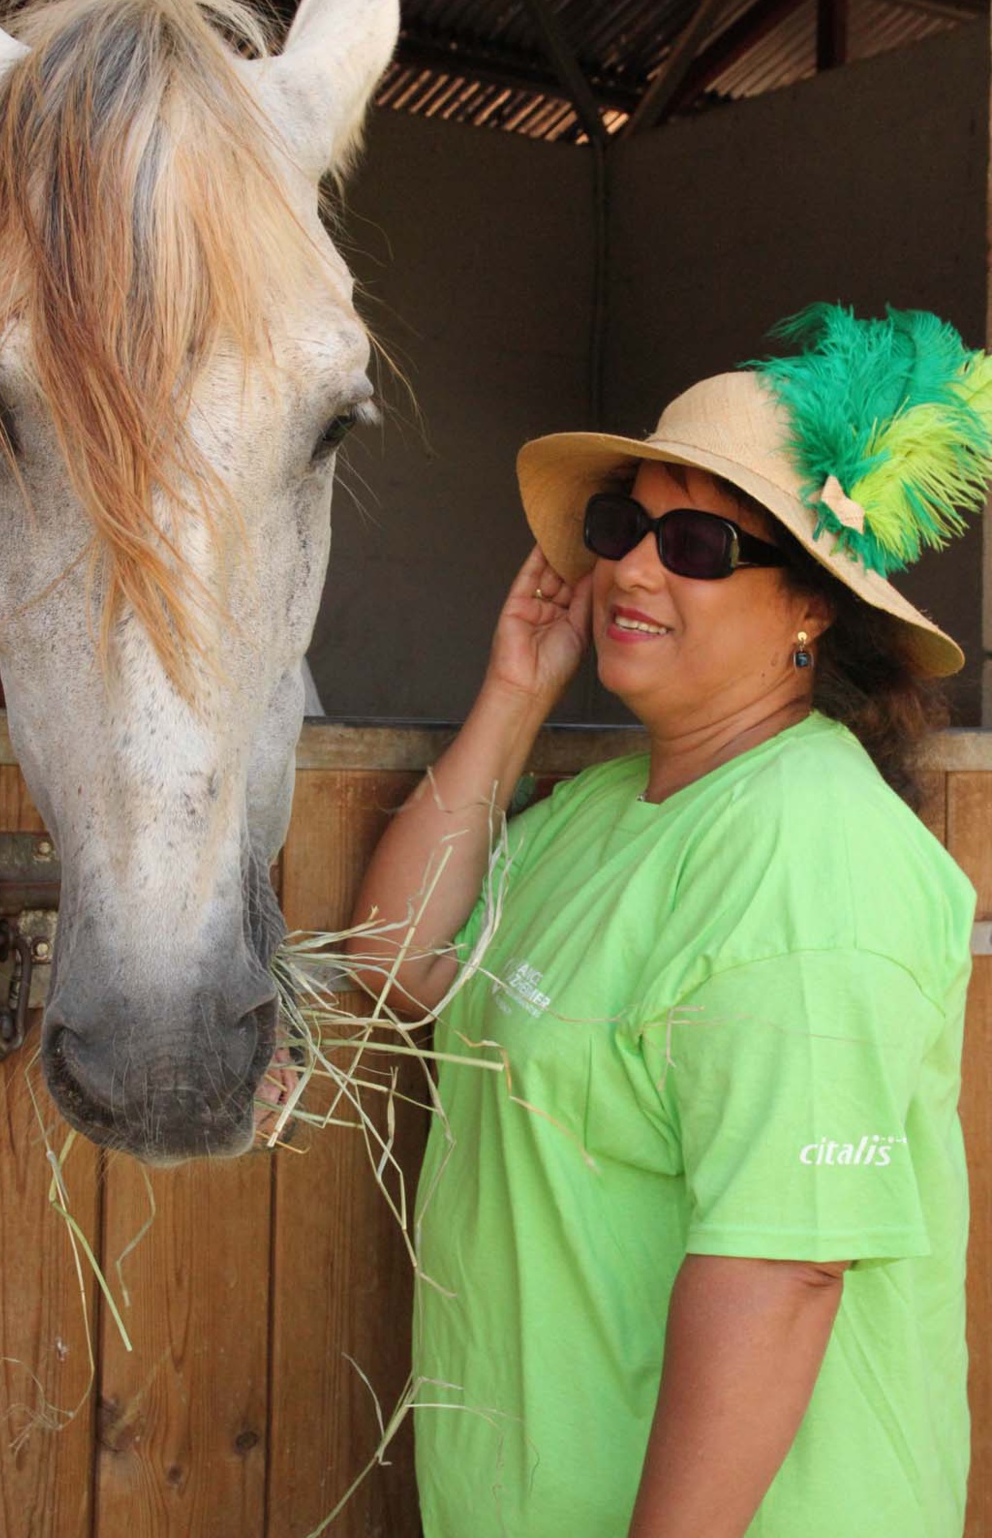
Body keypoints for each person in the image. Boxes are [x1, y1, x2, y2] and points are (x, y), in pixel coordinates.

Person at [347, 302, 988, 1538]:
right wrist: (513, 692)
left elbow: (785, 1269)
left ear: (809, 608)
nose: (634, 566)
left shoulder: (810, 859)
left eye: (697, 542)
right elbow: (395, 964)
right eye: (620, 526)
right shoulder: (604, 812)